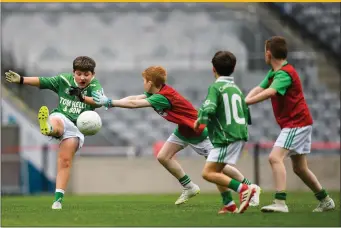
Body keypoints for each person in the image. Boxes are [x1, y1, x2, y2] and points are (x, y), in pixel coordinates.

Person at [92, 65, 260, 213]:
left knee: (218, 167)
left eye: (144, 80)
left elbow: (135, 105)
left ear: (150, 82)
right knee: (163, 157)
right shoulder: (156, 91)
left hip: (198, 132)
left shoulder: (162, 97)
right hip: (183, 130)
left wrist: (111, 103)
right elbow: (134, 98)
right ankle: (189, 187)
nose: (143, 83)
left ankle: (249, 186)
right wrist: (109, 101)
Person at [245, 36, 335, 213]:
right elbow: (260, 88)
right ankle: (325, 200)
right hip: (297, 123)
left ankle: (280, 203)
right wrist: (245, 99)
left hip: (296, 123)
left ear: (268, 54)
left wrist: (248, 103)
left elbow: (270, 92)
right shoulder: (274, 73)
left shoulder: (284, 74)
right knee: (300, 168)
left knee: (274, 158)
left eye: (265, 51)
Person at [5, 56, 104, 210]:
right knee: (57, 123)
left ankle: (57, 201)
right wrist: (22, 79)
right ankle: (48, 128)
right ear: (73, 73)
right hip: (61, 117)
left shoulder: (95, 86)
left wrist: (81, 96)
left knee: (65, 161)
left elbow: (99, 101)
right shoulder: (64, 80)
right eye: (79, 73)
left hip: (78, 127)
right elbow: (43, 81)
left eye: (86, 74)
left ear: (93, 75)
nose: (82, 77)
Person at [194, 51, 257, 214]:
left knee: (208, 173)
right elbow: (246, 113)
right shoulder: (236, 89)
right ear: (233, 68)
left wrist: (200, 120)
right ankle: (229, 204)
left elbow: (209, 109)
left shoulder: (216, 87)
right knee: (217, 171)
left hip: (226, 137)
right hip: (238, 134)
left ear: (213, 69)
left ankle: (244, 189)